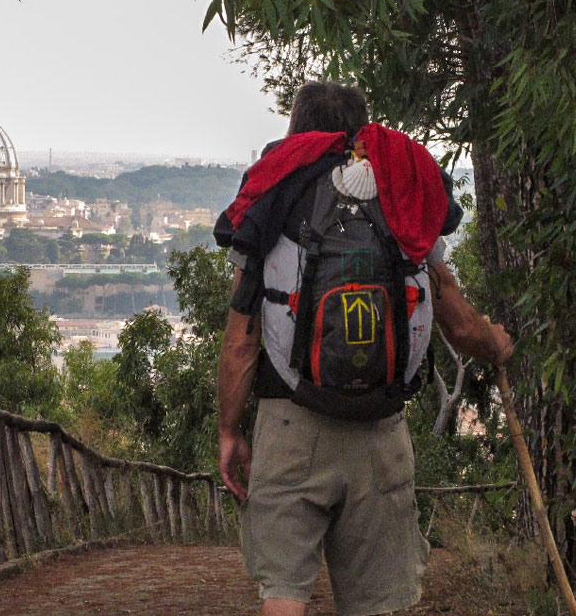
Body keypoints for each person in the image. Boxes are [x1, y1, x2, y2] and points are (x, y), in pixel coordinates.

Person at [216, 81, 513, 616]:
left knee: (283, 590)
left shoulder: (274, 199)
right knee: (377, 603)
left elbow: (241, 343)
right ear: (361, 131)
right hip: (380, 431)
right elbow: (462, 326)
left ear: (295, 130)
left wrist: (229, 432)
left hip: (290, 424)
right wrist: (499, 346)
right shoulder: (404, 200)